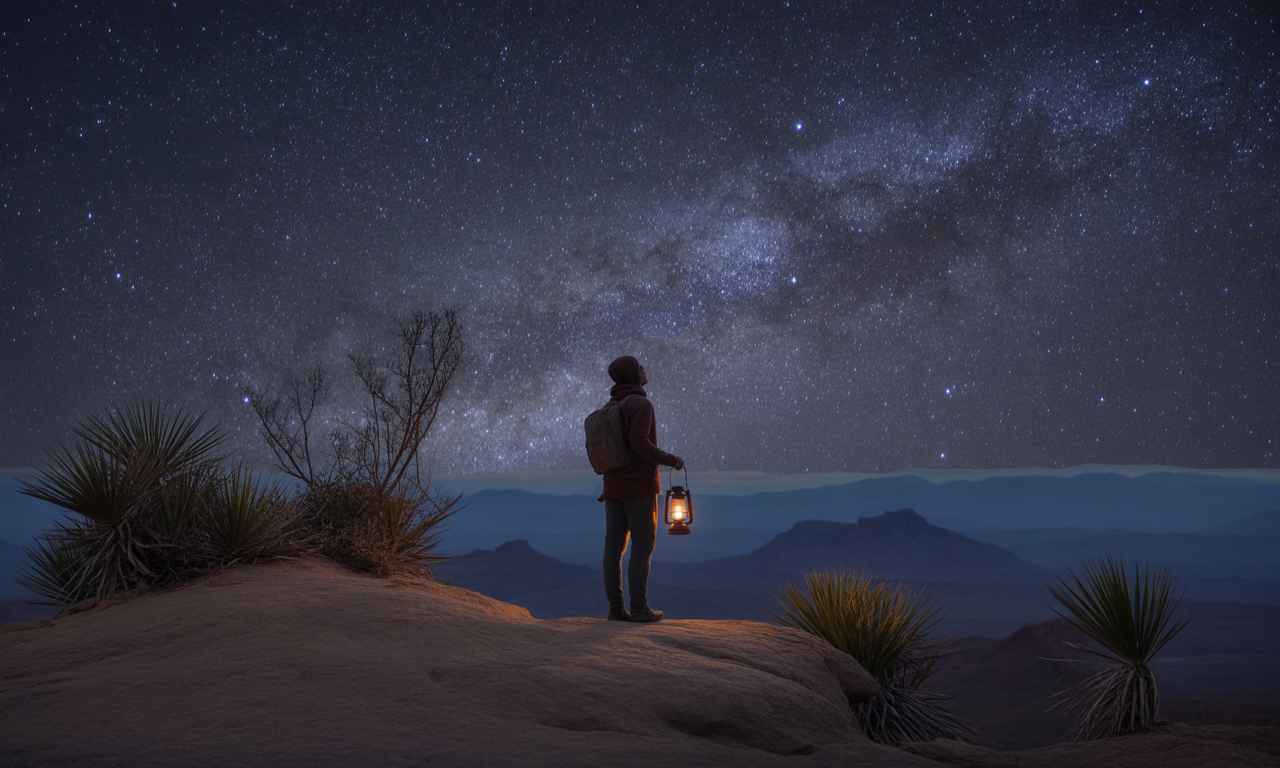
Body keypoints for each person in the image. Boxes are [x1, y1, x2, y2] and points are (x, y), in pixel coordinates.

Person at [600, 355, 684, 623]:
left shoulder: (611, 406)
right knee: (642, 546)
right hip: (639, 487)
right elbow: (640, 444)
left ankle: (615, 609)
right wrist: (671, 460)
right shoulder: (641, 404)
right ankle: (639, 609)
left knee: (613, 548)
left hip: (612, 487)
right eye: (640, 367)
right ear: (634, 375)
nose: (645, 370)